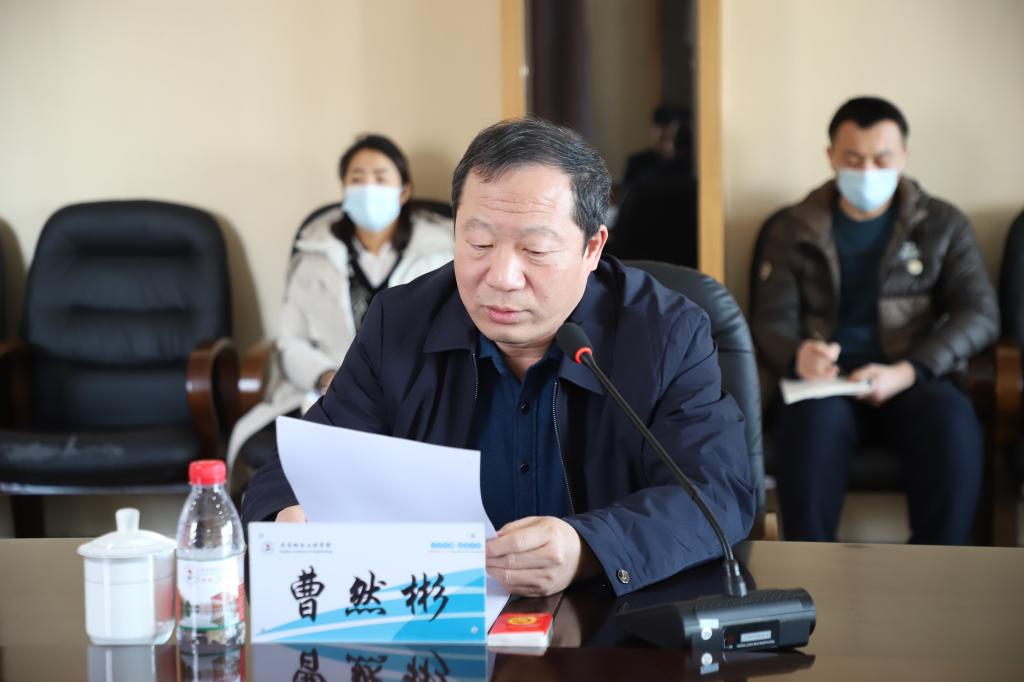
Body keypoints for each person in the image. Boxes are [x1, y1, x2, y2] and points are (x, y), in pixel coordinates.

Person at [242, 117, 754, 598]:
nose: (502, 278)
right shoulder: (399, 323)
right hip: (439, 617)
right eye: (479, 243)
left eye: (535, 251)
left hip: (610, 620)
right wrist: (288, 517)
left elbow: (718, 492)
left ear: (592, 248)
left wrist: (589, 547)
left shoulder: (666, 333)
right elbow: (299, 467)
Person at [751, 97, 999, 545]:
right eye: (853, 159)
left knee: (952, 425)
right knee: (808, 430)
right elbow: (770, 319)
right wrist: (799, 354)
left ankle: (939, 570)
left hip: (915, 376)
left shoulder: (942, 224)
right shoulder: (793, 227)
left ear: (903, 155)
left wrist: (910, 370)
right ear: (831, 156)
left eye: (882, 159)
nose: (867, 171)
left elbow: (979, 314)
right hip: (826, 385)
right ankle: (812, 572)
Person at [225, 134, 454, 473]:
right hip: (324, 393)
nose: (369, 188)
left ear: (404, 190)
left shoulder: (440, 255)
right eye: (357, 179)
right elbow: (290, 341)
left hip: (409, 394)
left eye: (380, 178)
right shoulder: (314, 254)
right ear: (344, 189)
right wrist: (327, 376)